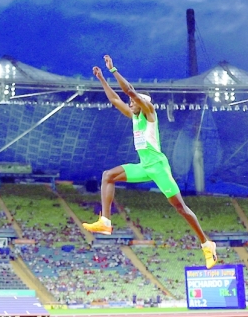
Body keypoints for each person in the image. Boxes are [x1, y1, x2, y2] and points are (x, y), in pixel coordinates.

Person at [82, 54, 218, 269]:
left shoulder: (150, 113)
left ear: (142, 103)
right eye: (131, 104)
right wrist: (101, 79)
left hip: (158, 167)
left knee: (180, 208)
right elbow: (115, 100)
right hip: (144, 167)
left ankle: (206, 243)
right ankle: (105, 222)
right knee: (108, 175)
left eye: (134, 102)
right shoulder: (135, 116)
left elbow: (129, 92)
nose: (130, 104)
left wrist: (113, 69)